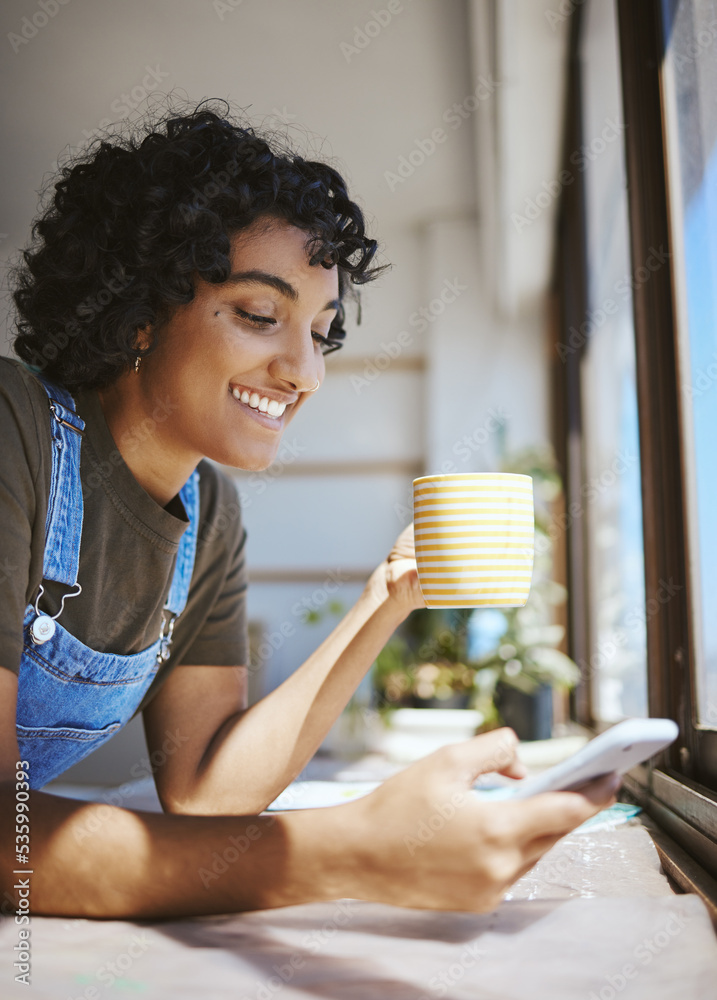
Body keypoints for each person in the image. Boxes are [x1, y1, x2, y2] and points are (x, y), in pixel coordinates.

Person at [0, 105, 620, 919]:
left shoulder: (206, 512)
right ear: (139, 310)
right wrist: (350, 852)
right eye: (260, 315)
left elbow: (205, 794)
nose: (304, 372)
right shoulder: (16, 431)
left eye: (322, 333)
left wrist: (386, 595)